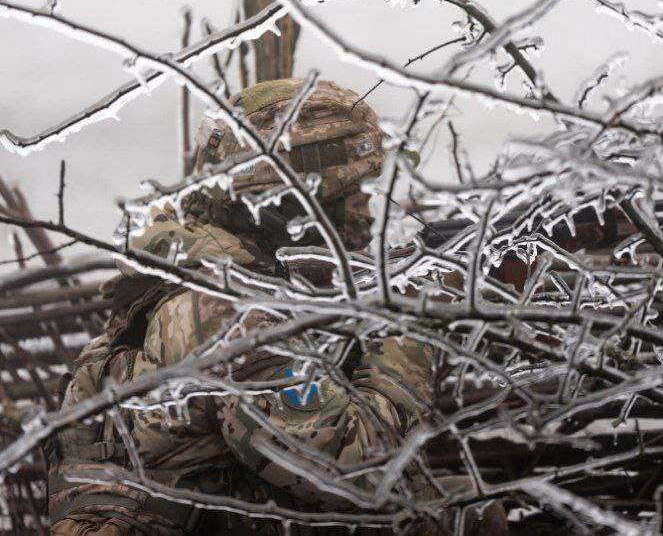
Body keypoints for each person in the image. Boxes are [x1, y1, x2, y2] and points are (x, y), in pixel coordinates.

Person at [47, 78, 508, 535]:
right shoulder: (226, 313)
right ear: (287, 204)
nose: (368, 212)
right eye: (350, 195)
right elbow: (359, 468)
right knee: (463, 516)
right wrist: (407, 324)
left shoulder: (202, 279)